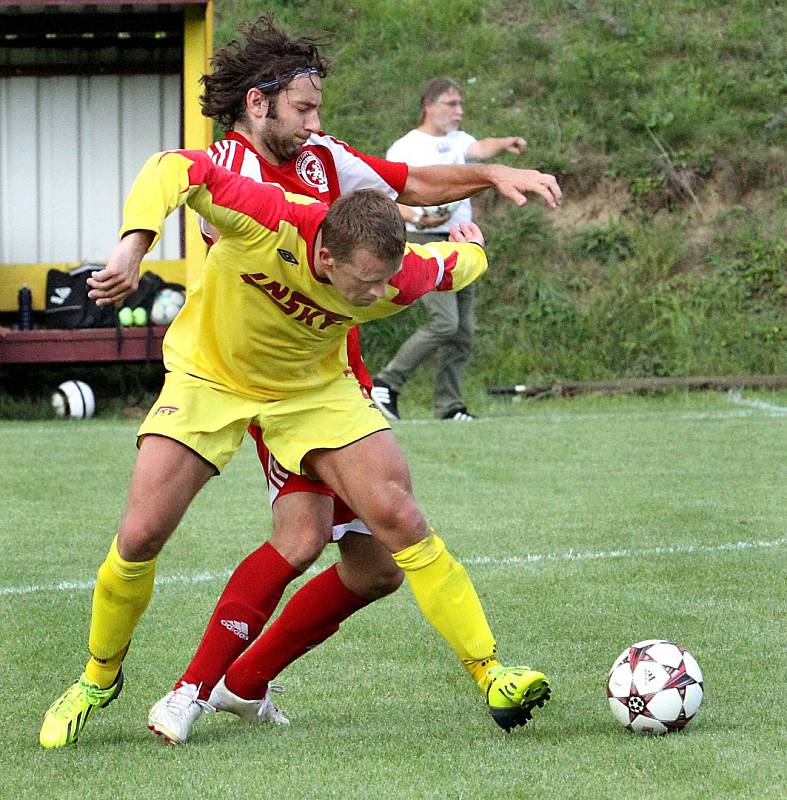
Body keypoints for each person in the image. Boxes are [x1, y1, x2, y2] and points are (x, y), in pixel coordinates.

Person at [131, 15, 562, 745]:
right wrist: (131, 249)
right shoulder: (230, 174)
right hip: (261, 379)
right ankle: (191, 691)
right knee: (298, 538)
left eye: (319, 109)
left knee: (375, 568)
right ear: (258, 103)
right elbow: (181, 183)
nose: (316, 123)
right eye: (304, 108)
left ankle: (242, 684)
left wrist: (487, 173)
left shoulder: (323, 157)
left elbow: (408, 183)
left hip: (332, 378)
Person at [39, 149, 552, 749]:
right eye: (365, 282)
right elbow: (172, 169)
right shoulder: (269, 216)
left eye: (386, 279)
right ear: (326, 256)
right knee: (141, 535)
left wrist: (476, 248)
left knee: (398, 518)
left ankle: (491, 674)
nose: (377, 294)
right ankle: (98, 679)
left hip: (313, 393)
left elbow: (453, 267)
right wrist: (132, 247)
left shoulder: (395, 278)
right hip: (210, 377)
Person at [371, 78, 527, 422]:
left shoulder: (459, 141)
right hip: (422, 242)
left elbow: (481, 148)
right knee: (444, 322)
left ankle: (449, 406)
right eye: (451, 104)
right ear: (429, 105)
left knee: (463, 331)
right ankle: (385, 382)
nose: (459, 111)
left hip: (460, 240)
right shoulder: (405, 147)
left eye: (461, 104)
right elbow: (386, 197)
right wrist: (419, 216)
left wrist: (505, 143)